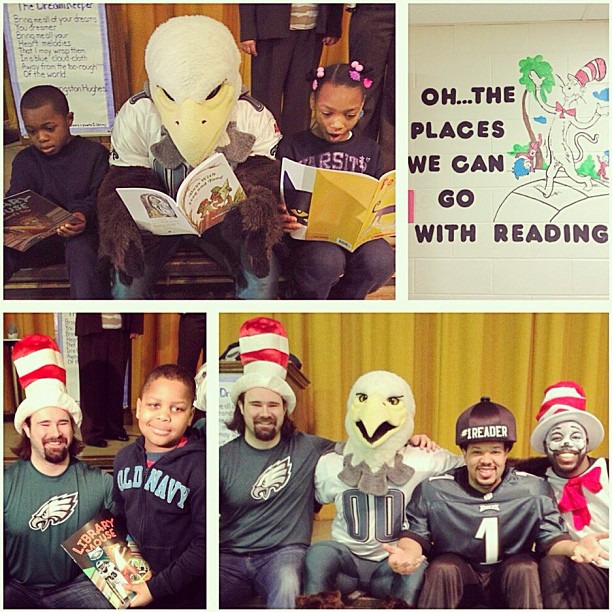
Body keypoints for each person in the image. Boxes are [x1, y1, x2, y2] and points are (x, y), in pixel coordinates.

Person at [385, 396, 608, 609]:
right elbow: (415, 536)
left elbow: (551, 540)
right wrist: (406, 553)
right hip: (460, 576)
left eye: (494, 451)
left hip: (509, 576)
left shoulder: (533, 488)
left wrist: (574, 547)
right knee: (443, 567)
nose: (486, 460)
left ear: (506, 453)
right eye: (476, 452)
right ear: (463, 452)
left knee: (524, 567)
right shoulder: (434, 489)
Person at [4, 334, 113, 608]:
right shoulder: (5, 484)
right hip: (16, 588)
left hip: (77, 587)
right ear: (26, 429)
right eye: (44, 424)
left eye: (63, 423)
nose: (55, 433)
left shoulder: (100, 483)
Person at [276, 62, 395, 299]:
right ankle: (305, 299)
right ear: (313, 103)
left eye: (349, 115)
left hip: (354, 238)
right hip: (309, 241)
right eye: (327, 113)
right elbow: (278, 195)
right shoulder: (292, 146)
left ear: (361, 107)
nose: (336, 123)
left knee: (382, 260)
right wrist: (280, 214)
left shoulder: (370, 150)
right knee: (326, 260)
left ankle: (343, 300)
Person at [112, 363, 205, 608]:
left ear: (190, 416)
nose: (164, 416)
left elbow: (205, 545)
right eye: (155, 405)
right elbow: (119, 517)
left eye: (177, 408)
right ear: (140, 407)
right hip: (135, 583)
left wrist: (156, 589)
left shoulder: (200, 468)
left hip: (183, 593)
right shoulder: (123, 459)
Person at [4, 85, 110, 299]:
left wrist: (81, 216)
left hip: (83, 236)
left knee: (80, 251)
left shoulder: (94, 154)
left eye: (49, 128)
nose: (41, 137)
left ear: (69, 119)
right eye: (32, 131)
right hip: (40, 240)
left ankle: (86, 312)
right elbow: (17, 200)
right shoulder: (25, 161)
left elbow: (99, 198)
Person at [529, 381, 609, 609]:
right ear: (545, 445)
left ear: (587, 441)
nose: (566, 443)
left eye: (575, 436)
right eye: (557, 437)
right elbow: (483, 464)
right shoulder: (532, 479)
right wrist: (420, 443)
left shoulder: (608, 472)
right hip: (580, 567)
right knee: (554, 564)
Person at [239, 4, 343, 136]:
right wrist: (248, 30)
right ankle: (265, 147)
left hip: (312, 27)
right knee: (267, 97)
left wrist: (333, 25)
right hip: (270, 26)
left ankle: (294, 149)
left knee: (301, 98)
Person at [76, 314, 144, 447]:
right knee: (92, 381)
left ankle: (114, 428)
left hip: (120, 328)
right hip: (91, 329)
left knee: (116, 381)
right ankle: (92, 433)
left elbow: (133, 294)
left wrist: (135, 325)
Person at [348, 4, 395, 173]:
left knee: (399, 96)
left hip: (418, 11)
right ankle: (358, 169)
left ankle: (390, 176)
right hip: (371, 9)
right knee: (363, 95)